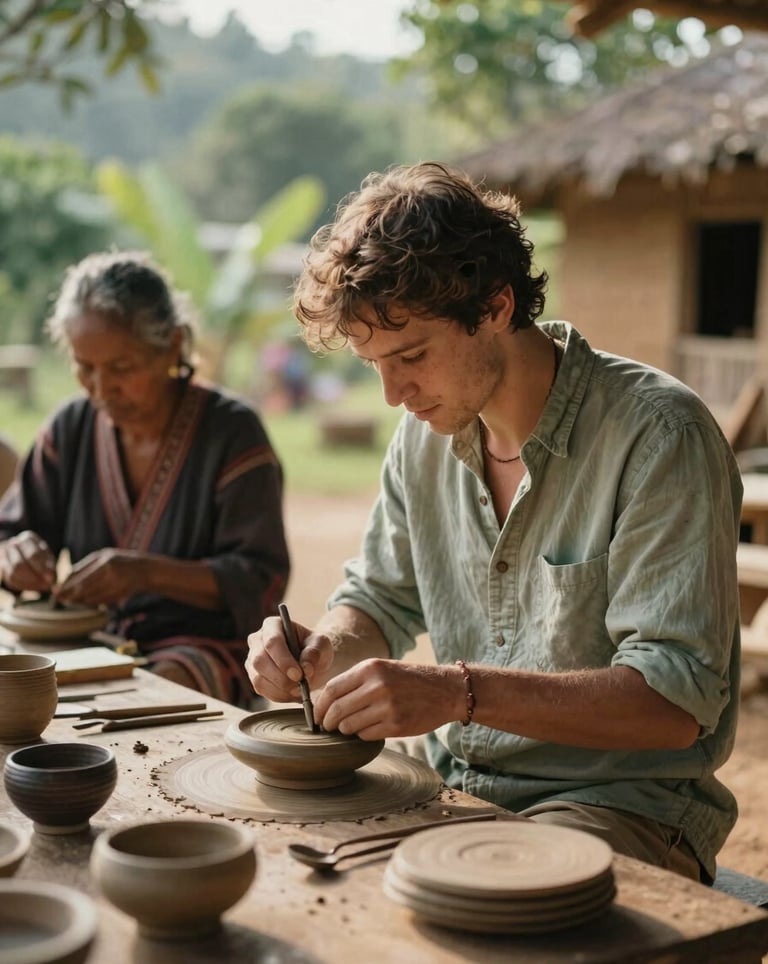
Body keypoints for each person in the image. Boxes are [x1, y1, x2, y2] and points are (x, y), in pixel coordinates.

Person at [245, 162, 742, 883]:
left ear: (499, 306)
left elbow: (673, 700)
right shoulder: (424, 433)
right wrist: (324, 646)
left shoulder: (658, 435)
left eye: (412, 355)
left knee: (478, 903)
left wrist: (456, 692)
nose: (393, 393)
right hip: (455, 776)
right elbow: (379, 599)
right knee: (279, 854)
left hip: (616, 802)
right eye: (374, 365)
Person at [0, 251, 290, 706]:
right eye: (84, 366)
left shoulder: (232, 434)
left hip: (203, 647)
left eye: (121, 368)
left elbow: (259, 580)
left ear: (172, 347)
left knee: (153, 691)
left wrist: (143, 572)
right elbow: (11, 531)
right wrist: (11, 554)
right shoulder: (70, 429)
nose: (99, 388)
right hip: (91, 641)